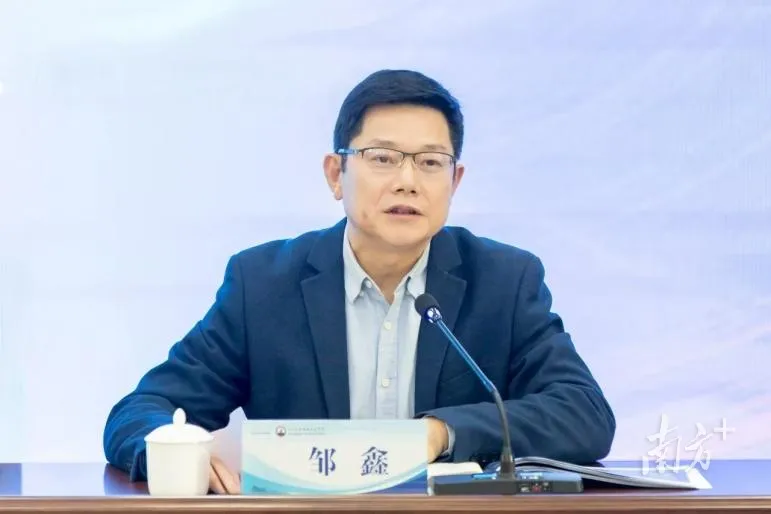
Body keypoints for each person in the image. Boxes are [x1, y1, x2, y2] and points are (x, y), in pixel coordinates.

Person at [103, 69, 616, 494]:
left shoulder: (504, 281)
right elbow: (138, 414)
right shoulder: (263, 284)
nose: (407, 181)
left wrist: (441, 433)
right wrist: (180, 458)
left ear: (454, 181)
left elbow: (585, 414)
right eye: (383, 158)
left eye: (430, 162)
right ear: (336, 174)